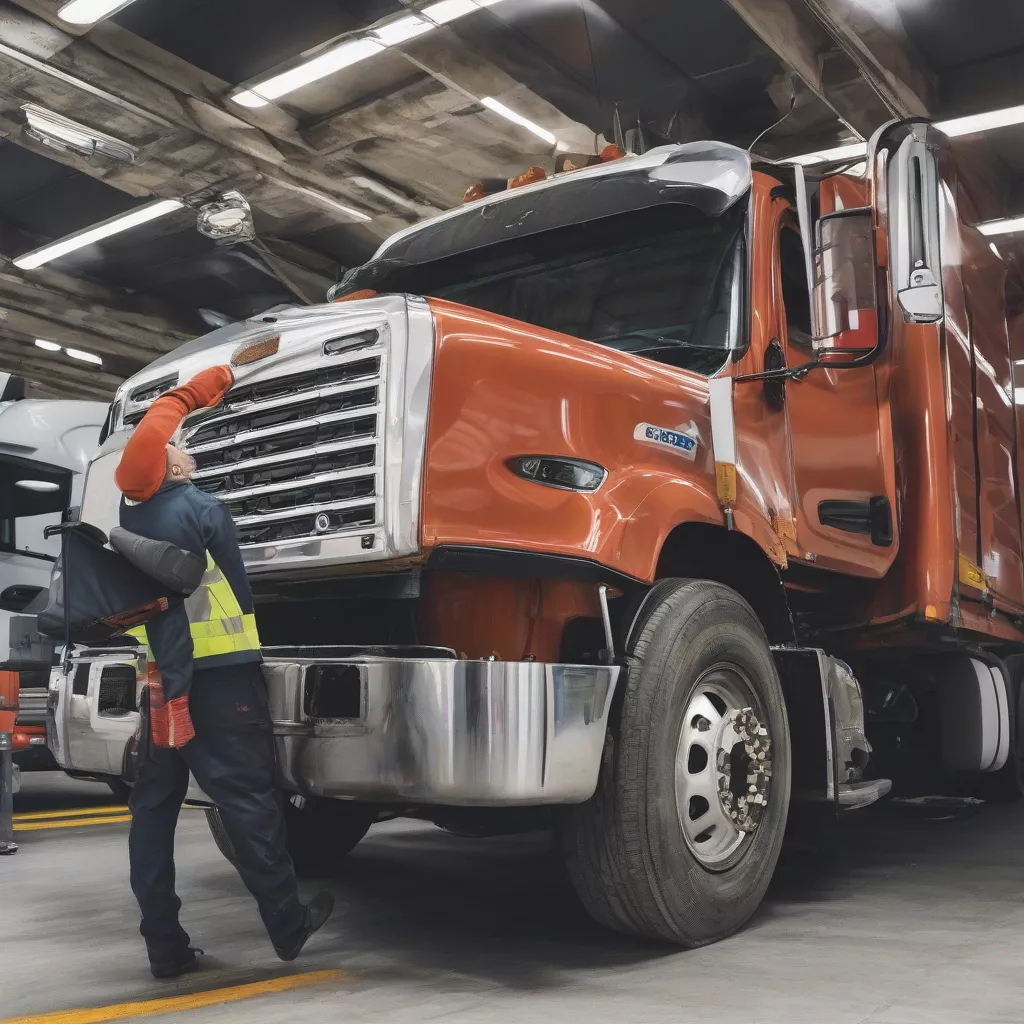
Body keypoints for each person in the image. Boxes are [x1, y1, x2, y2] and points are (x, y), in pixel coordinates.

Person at [114, 365, 333, 979]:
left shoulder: (129, 526)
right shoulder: (203, 509)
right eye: (180, 449)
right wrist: (199, 388)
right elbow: (239, 591)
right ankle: (288, 926)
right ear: (172, 468)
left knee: (152, 816)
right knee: (249, 804)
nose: (186, 451)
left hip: (163, 689)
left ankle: (164, 946)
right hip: (220, 687)